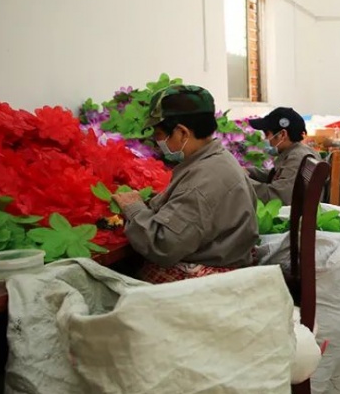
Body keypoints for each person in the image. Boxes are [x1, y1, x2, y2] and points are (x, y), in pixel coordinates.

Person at [112, 85, 258, 283]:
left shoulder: (202, 180)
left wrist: (133, 208)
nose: (156, 141)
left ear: (182, 132)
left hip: (205, 281)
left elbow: (162, 246)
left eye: (159, 134)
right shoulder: (219, 159)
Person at [245, 107, 320, 205]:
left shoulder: (297, 158)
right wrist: (249, 172)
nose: (265, 139)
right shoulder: (295, 151)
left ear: (282, 134)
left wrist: (241, 182)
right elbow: (276, 174)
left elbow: (276, 197)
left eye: (267, 133)